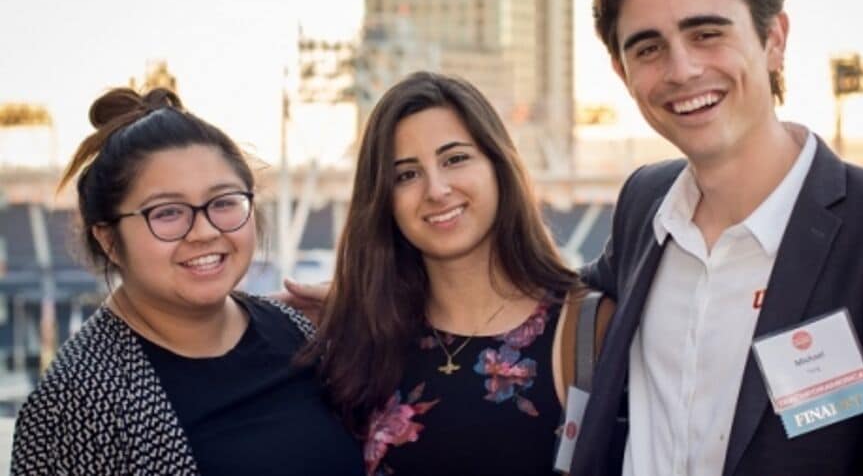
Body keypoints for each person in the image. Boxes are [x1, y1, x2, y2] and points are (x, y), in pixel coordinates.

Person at [570, 0, 863, 476]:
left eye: (706, 34)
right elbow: (542, 300)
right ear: (621, 71)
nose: (682, 69)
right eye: (649, 48)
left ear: (774, 39)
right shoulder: (642, 207)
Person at [11, 88, 364, 475]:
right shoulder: (74, 403)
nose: (204, 231)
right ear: (109, 240)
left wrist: (364, 319)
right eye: (168, 213)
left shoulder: (297, 331)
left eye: (224, 202)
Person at [294, 71, 611, 476]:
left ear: (498, 165)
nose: (436, 189)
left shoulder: (587, 330)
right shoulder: (357, 342)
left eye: (455, 159)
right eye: (406, 174)